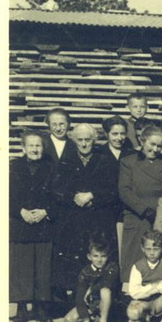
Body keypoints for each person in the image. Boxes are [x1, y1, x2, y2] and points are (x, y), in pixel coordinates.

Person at [49, 123, 120, 302]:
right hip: (74, 219)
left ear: (94, 140)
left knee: (100, 256)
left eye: (87, 140)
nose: (83, 144)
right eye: (79, 140)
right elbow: (56, 189)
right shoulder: (65, 160)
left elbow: (113, 190)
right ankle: (77, 302)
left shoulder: (105, 159)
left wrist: (92, 195)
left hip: (98, 219)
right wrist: (74, 197)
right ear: (74, 140)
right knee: (76, 259)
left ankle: (101, 299)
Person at [10, 130, 57, 322]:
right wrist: (20, 211)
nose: (35, 149)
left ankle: (42, 308)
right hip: (21, 223)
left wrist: (46, 211)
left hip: (43, 224)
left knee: (43, 267)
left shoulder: (51, 168)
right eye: (31, 145)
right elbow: (6, 194)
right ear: (23, 148)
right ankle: (22, 308)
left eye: (38, 145)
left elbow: (58, 194)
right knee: (22, 267)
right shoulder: (14, 167)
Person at [118, 123, 162, 285]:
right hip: (137, 217)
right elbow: (124, 191)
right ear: (142, 141)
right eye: (152, 144)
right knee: (133, 260)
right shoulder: (129, 162)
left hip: (160, 218)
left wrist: (161, 213)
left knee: (157, 261)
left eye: (159, 146)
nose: (155, 149)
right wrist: (145, 210)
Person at [62, 237, 119, 322]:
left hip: (107, 303)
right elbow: (79, 298)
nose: (99, 260)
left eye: (103, 256)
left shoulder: (112, 267)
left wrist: (91, 289)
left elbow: (107, 283)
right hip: (92, 304)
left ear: (108, 256)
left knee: (105, 291)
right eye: (95, 256)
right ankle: (92, 321)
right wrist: (85, 321)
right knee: (69, 320)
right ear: (89, 256)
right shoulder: (85, 272)